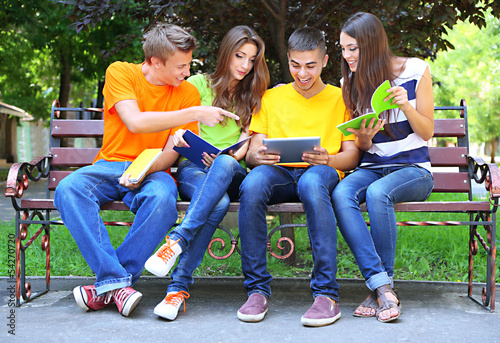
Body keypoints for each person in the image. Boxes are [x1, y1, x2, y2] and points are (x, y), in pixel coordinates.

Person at [53, 23, 238, 317]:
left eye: (188, 64)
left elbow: (170, 155)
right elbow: (135, 121)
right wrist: (196, 113)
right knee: (69, 189)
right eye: (180, 66)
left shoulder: (187, 92)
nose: (186, 72)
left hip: (154, 171)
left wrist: (144, 168)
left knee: (163, 201)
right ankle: (117, 283)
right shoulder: (121, 72)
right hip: (111, 165)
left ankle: (111, 285)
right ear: (154, 61)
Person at [236, 27, 360, 327]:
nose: (302, 73)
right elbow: (253, 150)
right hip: (278, 171)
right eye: (295, 65)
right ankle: (256, 291)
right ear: (288, 60)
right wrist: (257, 156)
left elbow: (352, 156)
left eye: (310, 65)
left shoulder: (341, 98)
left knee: (312, 182)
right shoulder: (271, 97)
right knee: (251, 184)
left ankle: (326, 295)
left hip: (320, 171)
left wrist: (328, 159)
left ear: (325, 61)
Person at [143, 25, 270, 321]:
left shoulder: (254, 94)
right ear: (227, 53)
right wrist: (183, 141)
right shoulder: (198, 84)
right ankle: (177, 291)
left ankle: (176, 241)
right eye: (240, 56)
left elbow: (246, 144)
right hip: (194, 167)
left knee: (225, 165)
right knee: (220, 203)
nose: (244, 65)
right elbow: (184, 128)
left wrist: (229, 156)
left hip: (232, 169)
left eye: (251, 60)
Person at [332, 12, 434, 323]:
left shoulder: (416, 70)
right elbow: (362, 148)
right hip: (373, 166)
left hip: (414, 169)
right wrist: (363, 137)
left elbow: (428, 131)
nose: (348, 56)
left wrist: (405, 105)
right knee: (341, 193)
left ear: (373, 45)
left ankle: (381, 287)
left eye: (354, 48)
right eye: (343, 48)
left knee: (377, 194)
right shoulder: (348, 80)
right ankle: (382, 286)